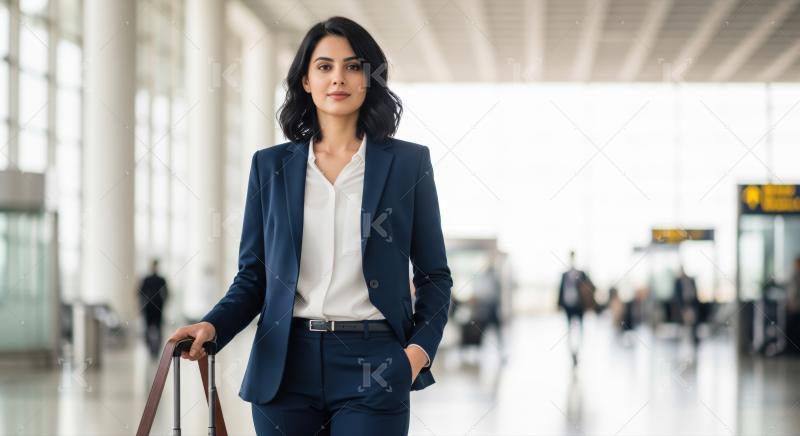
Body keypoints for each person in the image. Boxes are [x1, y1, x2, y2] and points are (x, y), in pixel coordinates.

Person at [169, 16, 452, 436]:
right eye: (324, 66)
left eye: (353, 66)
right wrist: (212, 325)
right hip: (285, 364)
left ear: (370, 78)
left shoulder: (408, 164)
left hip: (374, 361)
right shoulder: (270, 167)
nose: (338, 77)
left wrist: (416, 354)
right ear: (305, 80)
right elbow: (255, 277)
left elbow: (434, 275)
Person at [557, 250, 594, 367]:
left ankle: (577, 351)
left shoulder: (581, 273)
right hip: (568, 305)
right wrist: (559, 304)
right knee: (569, 330)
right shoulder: (564, 275)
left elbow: (590, 287)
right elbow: (561, 290)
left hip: (579, 305)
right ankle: (572, 352)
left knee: (580, 330)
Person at [138, 259, 169, 359]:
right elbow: (167, 294)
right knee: (151, 327)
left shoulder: (153, 279)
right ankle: (152, 348)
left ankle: (153, 348)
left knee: (155, 327)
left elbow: (140, 293)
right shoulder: (157, 279)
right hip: (154, 306)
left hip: (153, 306)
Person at [673, 265, 700, 346]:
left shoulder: (690, 280)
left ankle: (694, 339)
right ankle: (681, 340)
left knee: (693, 323)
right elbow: (677, 295)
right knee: (682, 324)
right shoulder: (677, 282)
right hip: (683, 305)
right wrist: (681, 307)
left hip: (691, 304)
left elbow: (695, 293)